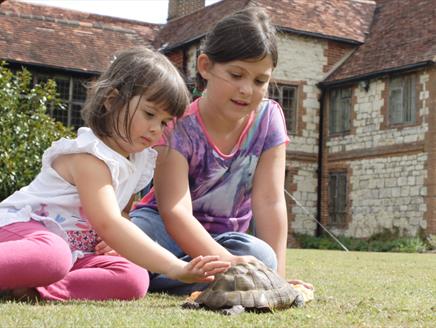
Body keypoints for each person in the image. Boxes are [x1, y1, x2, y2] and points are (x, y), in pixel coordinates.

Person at [0, 47, 230, 302]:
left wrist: (112, 243)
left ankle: (34, 290)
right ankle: (25, 276)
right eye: (150, 114)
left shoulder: (138, 162)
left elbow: (119, 217)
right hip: (23, 232)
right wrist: (175, 267)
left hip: (71, 252)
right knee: (51, 256)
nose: (156, 129)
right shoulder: (91, 157)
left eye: (164, 122)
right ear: (111, 99)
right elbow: (109, 222)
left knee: (134, 277)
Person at [130, 7, 289, 295]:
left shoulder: (269, 119)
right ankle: (174, 271)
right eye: (236, 74)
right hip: (163, 227)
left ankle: (163, 275)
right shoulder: (178, 125)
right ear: (205, 66)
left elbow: (269, 201)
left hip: (225, 236)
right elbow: (174, 210)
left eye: (259, 81)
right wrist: (227, 263)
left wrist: (276, 279)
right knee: (132, 239)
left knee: (263, 257)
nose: (246, 89)